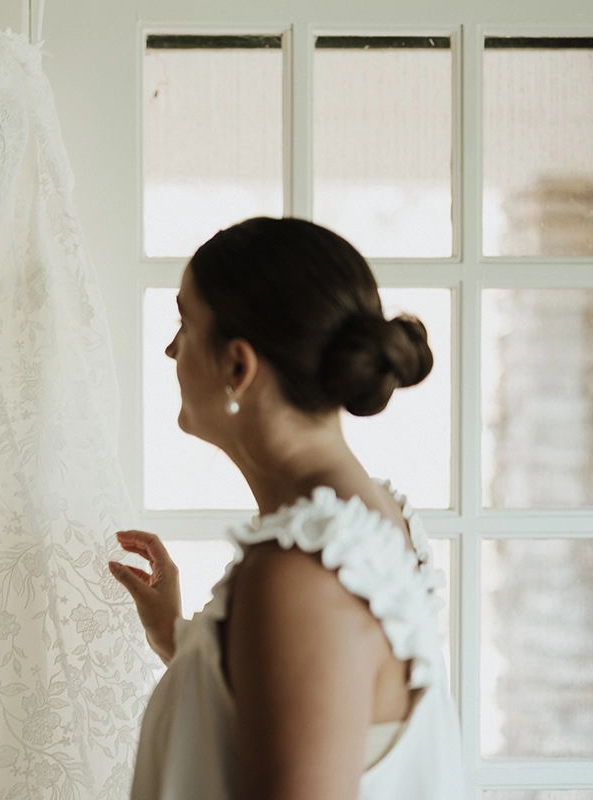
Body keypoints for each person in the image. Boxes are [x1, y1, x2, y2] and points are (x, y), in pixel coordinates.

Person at [108, 217, 465, 800]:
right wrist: (183, 640)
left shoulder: (301, 576)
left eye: (185, 324)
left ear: (237, 367)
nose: (171, 349)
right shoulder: (372, 519)